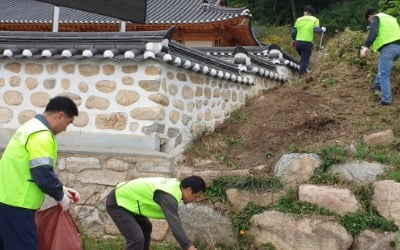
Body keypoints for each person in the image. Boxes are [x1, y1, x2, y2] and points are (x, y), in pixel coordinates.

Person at [0, 96, 80, 250]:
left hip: (5, 200)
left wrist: (61, 189)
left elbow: (26, 167)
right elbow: (42, 173)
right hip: (19, 205)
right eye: (68, 123)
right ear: (60, 115)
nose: (65, 129)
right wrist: (60, 196)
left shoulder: (28, 127)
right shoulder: (42, 135)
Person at [106, 175, 207, 250]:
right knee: (137, 239)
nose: (195, 200)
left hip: (128, 201)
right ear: (189, 190)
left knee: (146, 227)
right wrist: (189, 247)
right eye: (196, 196)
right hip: (118, 202)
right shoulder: (169, 196)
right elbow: (175, 226)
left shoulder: (175, 187)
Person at [360, 7, 400, 105]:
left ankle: (386, 100)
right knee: (382, 68)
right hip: (398, 47)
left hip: (388, 48)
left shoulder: (376, 18)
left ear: (370, 16)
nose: (370, 22)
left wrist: (365, 47)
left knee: (384, 75)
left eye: (369, 21)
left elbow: (373, 32)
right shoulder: (391, 18)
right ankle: (377, 86)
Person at [292, 5, 326, 76]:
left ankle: (302, 72)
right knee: (305, 60)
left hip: (298, 43)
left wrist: (293, 40)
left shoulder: (298, 19)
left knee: (303, 59)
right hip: (306, 43)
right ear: (311, 13)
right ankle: (301, 77)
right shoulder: (315, 19)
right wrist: (322, 29)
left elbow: (293, 32)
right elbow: (316, 30)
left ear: (306, 11)